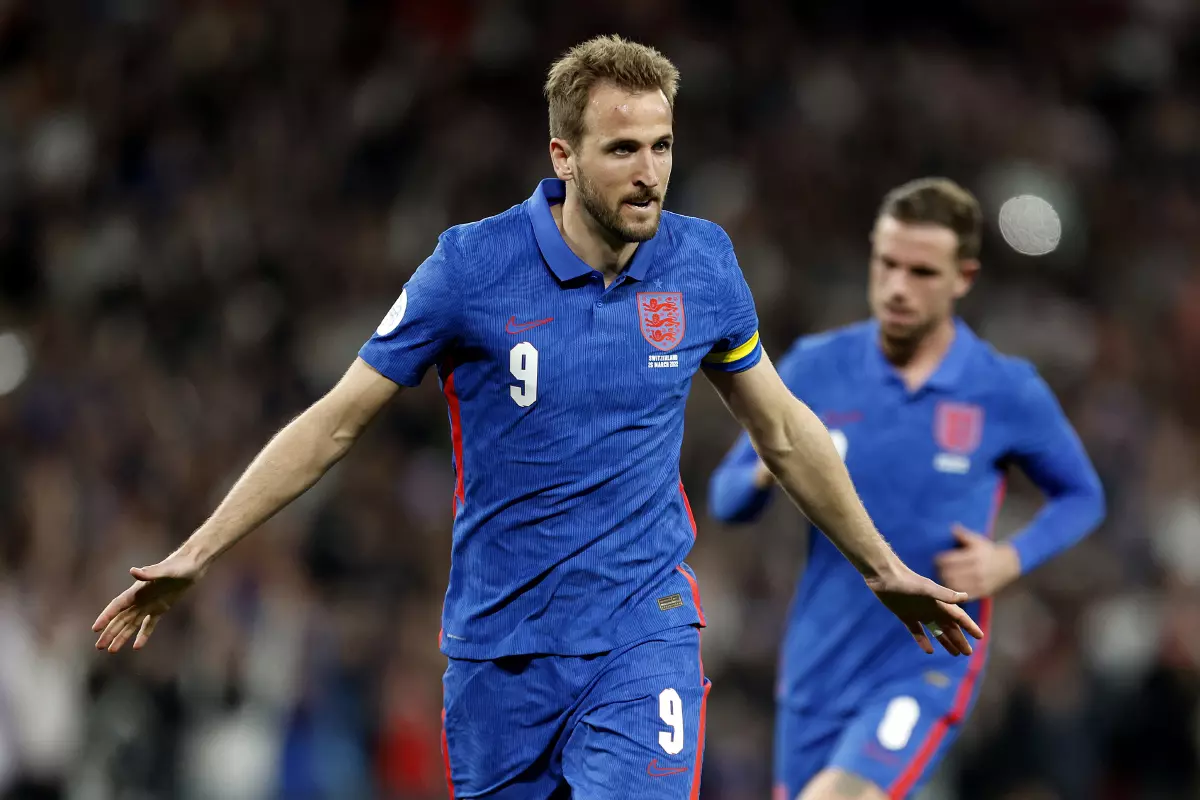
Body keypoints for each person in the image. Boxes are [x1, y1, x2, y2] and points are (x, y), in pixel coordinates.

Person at [92, 38, 980, 799]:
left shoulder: (702, 263)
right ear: (562, 154)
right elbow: (334, 422)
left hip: (644, 630)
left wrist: (882, 567)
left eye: (663, 146)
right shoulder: (470, 270)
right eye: (623, 148)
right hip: (498, 656)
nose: (650, 173)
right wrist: (196, 555)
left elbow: (783, 430)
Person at [708, 177, 1106, 800]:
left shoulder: (1003, 388)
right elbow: (727, 501)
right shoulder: (816, 366)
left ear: (963, 278)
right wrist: (772, 460)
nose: (897, 287)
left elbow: (1083, 496)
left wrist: (1009, 558)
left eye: (922, 271)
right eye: (887, 263)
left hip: (925, 661)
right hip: (818, 660)